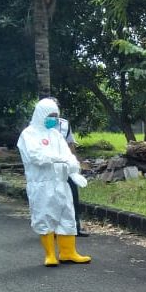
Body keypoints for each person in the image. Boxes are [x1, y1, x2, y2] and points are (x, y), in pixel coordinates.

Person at [17, 98, 91, 267]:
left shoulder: (55, 134)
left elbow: (68, 155)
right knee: (45, 216)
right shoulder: (28, 134)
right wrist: (60, 159)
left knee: (67, 216)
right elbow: (37, 157)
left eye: (55, 116)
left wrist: (74, 170)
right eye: (50, 115)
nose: (54, 119)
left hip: (61, 182)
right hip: (41, 184)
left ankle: (68, 252)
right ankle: (50, 254)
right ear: (41, 114)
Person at [55, 114, 89, 237]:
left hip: (66, 164)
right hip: (50, 167)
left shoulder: (64, 124)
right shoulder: (38, 126)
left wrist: (74, 163)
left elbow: (70, 144)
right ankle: (52, 229)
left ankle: (75, 227)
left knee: (73, 195)